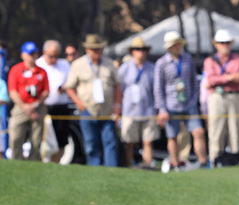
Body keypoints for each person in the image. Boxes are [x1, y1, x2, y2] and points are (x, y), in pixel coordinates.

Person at [154, 30, 208, 171]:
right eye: (174, 44)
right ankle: (176, 163)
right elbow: (158, 87)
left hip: (189, 104)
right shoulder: (161, 63)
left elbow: (194, 82)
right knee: (172, 136)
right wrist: (162, 109)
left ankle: (203, 162)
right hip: (171, 105)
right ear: (169, 47)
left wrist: (193, 100)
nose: (177, 46)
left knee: (199, 132)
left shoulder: (188, 59)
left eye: (178, 44)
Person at [65, 34, 122, 166]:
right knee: (90, 143)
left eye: (99, 49)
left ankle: (111, 170)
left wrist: (117, 106)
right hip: (87, 109)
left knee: (110, 142)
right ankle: (94, 168)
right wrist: (79, 103)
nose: (97, 52)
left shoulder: (109, 64)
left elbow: (117, 86)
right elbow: (69, 87)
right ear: (87, 50)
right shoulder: (78, 65)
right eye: (93, 49)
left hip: (107, 110)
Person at [204, 29, 239, 165]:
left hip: (234, 95)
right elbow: (210, 81)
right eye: (221, 43)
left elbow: (238, 78)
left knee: (236, 127)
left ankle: (236, 156)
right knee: (216, 128)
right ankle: (215, 158)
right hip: (216, 96)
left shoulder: (238, 59)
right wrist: (229, 77)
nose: (224, 45)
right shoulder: (209, 60)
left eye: (227, 43)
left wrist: (221, 78)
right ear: (216, 44)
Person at [118, 36, 159, 168]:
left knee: (148, 141)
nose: (140, 52)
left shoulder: (152, 69)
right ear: (132, 51)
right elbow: (119, 89)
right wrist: (117, 108)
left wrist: (158, 110)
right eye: (137, 49)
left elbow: (156, 91)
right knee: (129, 142)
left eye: (142, 49)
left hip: (148, 110)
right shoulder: (125, 68)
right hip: (129, 110)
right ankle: (129, 165)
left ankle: (147, 166)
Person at [7, 41, 49, 160]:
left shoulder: (42, 71)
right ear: (23, 55)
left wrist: (35, 105)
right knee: (16, 137)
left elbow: (46, 91)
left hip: (38, 107)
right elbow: (13, 91)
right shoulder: (16, 69)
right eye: (30, 53)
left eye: (34, 53)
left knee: (37, 140)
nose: (32, 56)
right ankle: (16, 161)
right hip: (20, 107)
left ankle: (34, 163)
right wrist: (25, 107)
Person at [36, 40, 74, 162]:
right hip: (44, 108)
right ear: (44, 52)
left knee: (60, 141)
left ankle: (54, 165)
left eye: (57, 56)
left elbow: (71, 82)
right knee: (42, 140)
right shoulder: (38, 64)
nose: (54, 59)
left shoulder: (64, 64)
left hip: (61, 107)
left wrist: (64, 87)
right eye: (51, 56)